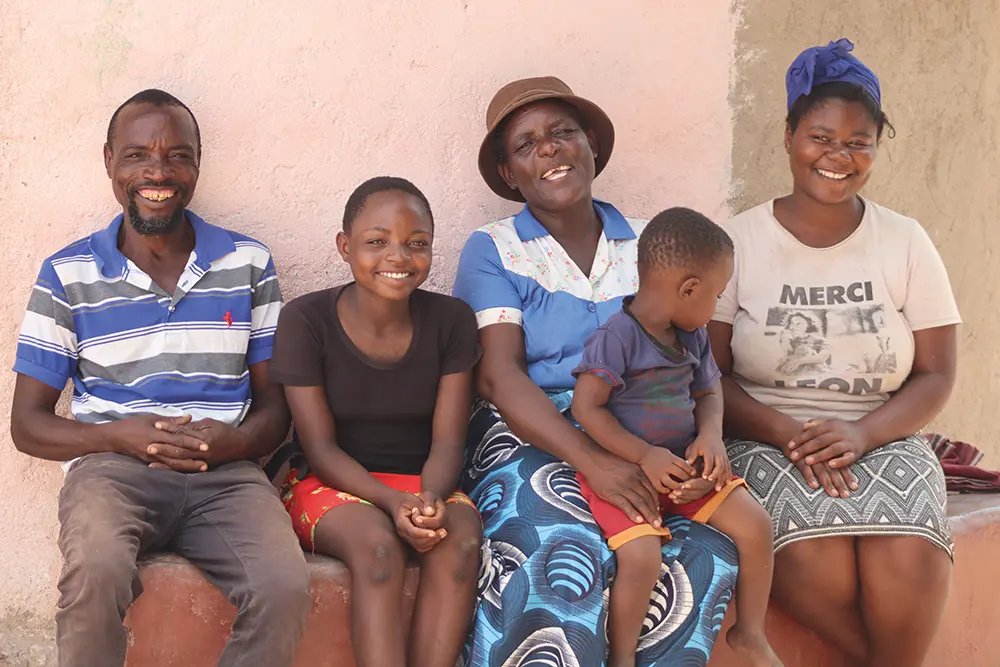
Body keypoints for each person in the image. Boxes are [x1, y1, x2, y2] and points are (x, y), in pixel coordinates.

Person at [9, 89, 310, 667]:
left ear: (197, 165)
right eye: (137, 155)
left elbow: (277, 406)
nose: (158, 172)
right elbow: (28, 426)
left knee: (283, 586)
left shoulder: (248, 263)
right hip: (113, 474)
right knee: (94, 571)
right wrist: (117, 436)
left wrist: (239, 443)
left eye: (177, 155)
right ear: (108, 161)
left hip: (227, 475)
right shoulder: (66, 273)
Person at [452, 76, 738, 667]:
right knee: (557, 539)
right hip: (528, 425)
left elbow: (695, 364)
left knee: (707, 546)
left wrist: (695, 449)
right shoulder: (495, 248)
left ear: (591, 146)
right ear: (509, 174)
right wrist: (593, 461)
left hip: (643, 428)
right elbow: (500, 379)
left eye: (563, 133)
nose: (549, 148)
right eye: (527, 144)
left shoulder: (649, 244)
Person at [707, 39, 960, 667]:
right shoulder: (737, 241)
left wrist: (865, 433)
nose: (838, 156)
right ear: (790, 134)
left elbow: (936, 373)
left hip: (884, 433)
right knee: (817, 556)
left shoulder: (905, 240)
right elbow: (707, 374)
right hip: (766, 437)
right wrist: (789, 433)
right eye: (821, 136)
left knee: (905, 549)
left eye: (859, 141)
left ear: (877, 146)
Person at [269, 177, 483, 667]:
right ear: (345, 247)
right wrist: (391, 502)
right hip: (329, 482)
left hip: (425, 481)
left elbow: (449, 439)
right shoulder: (306, 321)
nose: (398, 257)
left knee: (460, 537)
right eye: (377, 241)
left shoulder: (452, 321)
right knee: (378, 548)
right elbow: (319, 447)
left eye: (417, 244)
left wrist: (429, 498)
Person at [571, 207, 781, 667]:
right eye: (717, 295)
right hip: (628, 473)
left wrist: (711, 436)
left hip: (686, 472)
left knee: (756, 525)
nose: (716, 306)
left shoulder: (694, 335)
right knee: (642, 555)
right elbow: (587, 408)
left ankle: (750, 633)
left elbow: (708, 391)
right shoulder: (616, 337)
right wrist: (645, 456)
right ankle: (622, 658)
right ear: (689, 289)